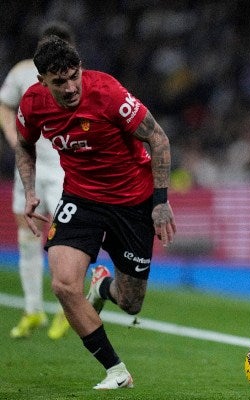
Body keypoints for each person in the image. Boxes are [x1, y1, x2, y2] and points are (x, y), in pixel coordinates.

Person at [15, 35, 176, 389]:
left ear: (81, 70)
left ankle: (103, 286)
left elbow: (158, 137)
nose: (71, 87)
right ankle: (116, 371)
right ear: (42, 81)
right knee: (63, 284)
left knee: (131, 304)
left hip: (133, 200)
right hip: (81, 199)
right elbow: (24, 147)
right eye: (60, 82)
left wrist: (160, 201)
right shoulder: (32, 105)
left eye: (74, 76)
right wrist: (29, 191)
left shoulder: (108, 93)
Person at [0, 21, 74, 340]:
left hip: (62, 167)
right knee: (27, 234)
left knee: (65, 238)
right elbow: (4, 105)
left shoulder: (74, 80)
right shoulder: (21, 74)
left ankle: (66, 308)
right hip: (28, 165)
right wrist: (15, 142)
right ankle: (33, 309)